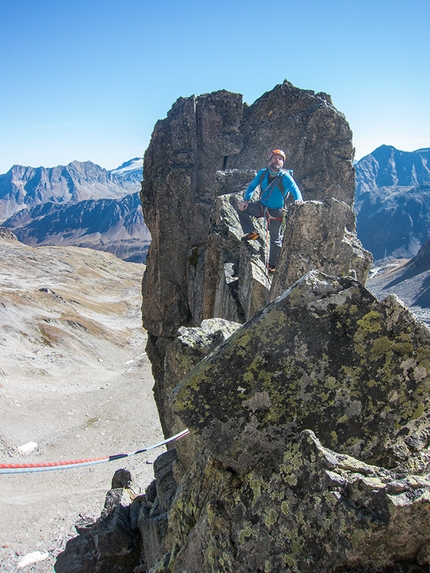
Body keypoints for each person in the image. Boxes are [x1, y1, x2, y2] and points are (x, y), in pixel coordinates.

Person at [237, 149, 303, 273]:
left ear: (283, 163)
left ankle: (272, 265)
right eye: (275, 158)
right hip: (261, 207)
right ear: (270, 159)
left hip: (276, 212)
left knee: (275, 240)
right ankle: (252, 232)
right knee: (241, 208)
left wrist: (298, 199)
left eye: (280, 159)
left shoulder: (285, 177)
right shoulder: (263, 173)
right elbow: (252, 187)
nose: (277, 160)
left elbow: (294, 188)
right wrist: (245, 200)